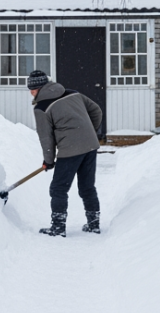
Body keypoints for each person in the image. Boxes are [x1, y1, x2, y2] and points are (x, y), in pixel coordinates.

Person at [27, 69, 105, 237]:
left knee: (58, 189)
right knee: (87, 187)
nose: (31, 93)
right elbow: (96, 111)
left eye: (32, 89)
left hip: (70, 149)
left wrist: (48, 160)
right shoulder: (73, 94)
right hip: (91, 145)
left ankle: (58, 227)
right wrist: (90, 132)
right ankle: (94, 225)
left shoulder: (42, 108)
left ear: (40, 88)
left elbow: (46, 138)